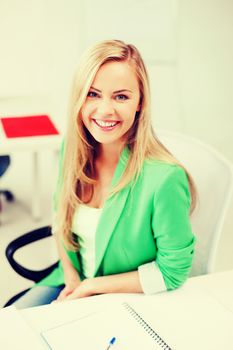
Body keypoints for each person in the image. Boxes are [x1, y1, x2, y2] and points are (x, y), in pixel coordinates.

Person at [13, 39, 196, 309]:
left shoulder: (165, 179)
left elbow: (173, 271)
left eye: (121, 96)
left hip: (126, 297)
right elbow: (59, 218)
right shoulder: (72, 149)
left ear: (140, 103)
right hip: (70, 281)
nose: (105, 110)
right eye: (93, 93)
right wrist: (73, 279)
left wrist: (92, 287)